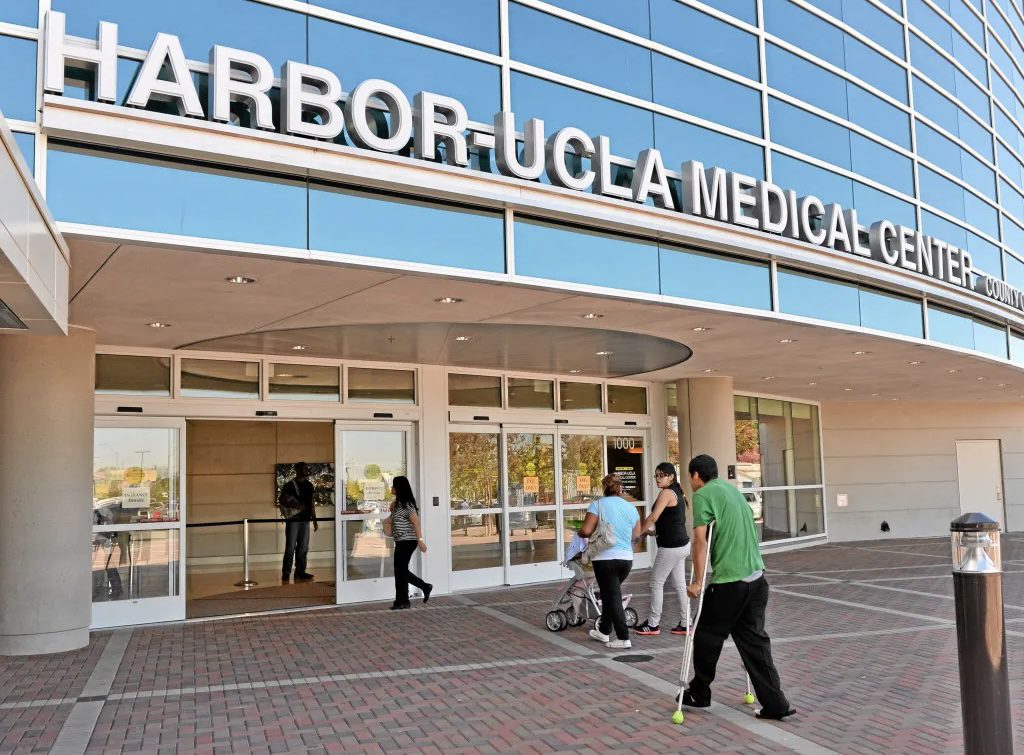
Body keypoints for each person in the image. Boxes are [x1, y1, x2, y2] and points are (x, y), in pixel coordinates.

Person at [681, 454, 796, 720]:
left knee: (707, 635)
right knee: (754, 642)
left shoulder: (703, 495)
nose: (691, 481)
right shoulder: (732, 492)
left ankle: (700, 692)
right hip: (756, 579)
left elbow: (699, 540)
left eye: (690, 476)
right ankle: (776, 704)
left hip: (730, 582)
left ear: (696, 475)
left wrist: (698, 581)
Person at [578, 473, 641, 650]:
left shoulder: (598, 505)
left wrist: (580, 534)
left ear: (604, 488)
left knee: (612, 596)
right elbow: (636, 535)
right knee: (609, 594)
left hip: (605, 559)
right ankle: (604, 630)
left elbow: (586, 530)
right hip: (626, 560)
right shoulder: (631, 508)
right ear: (620, 488)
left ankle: (623, 637)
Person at [634, 462, 692, 637]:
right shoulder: (676, 492)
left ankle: (652, 624)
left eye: (661, 475)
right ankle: (685, 623)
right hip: (682, 545)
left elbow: (653, 517)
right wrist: (651, 533)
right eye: (656, 475)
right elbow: (669, 521)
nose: (658, 478)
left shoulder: (667, 493)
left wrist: (638, 533)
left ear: (671, 476)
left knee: (655, 583)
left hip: (671, 547)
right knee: (680, 585)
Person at [383, 475, 432, 610]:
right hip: (401, 541)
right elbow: (391, 521)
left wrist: (421, 541)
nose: (391, 488)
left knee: (400, 571)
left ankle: (403, 600)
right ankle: (409, 596)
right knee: (400, 571)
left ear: (399, 488)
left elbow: (416, 523)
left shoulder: (407, 505)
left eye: (393, 486)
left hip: (408, 541)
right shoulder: (397, 505)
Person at [280, 461, 317, 582]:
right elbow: (283, 501)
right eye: (304, 468)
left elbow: (311, 504)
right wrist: (297, 506)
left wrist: (315, 519)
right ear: (298, 470)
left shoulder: (309, 485)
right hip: (293, 520)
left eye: (307, 468)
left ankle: (300, 571)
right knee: (290, 547)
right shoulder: (290, 485)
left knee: (303, 547)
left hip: (305, 520)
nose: (307, 470)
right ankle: (286, 572)